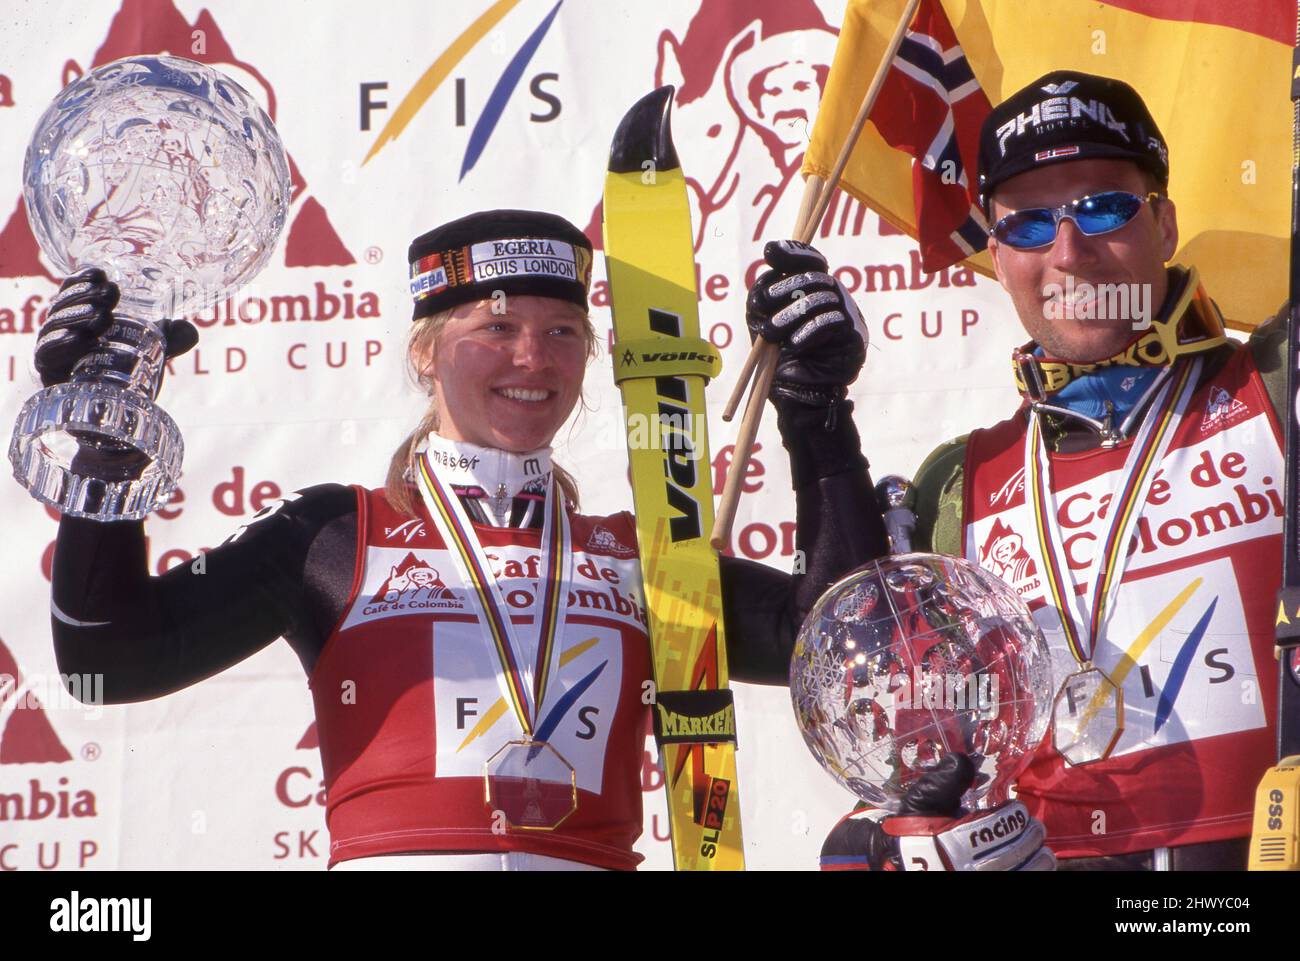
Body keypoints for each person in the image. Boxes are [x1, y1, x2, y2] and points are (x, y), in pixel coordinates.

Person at [42, 209, 887, 870]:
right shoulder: (335, 536)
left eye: (563, 332)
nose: (534, 358)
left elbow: (838, 650)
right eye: (495, 327)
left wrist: (816, 410)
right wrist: (106, 443)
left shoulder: (640, 557)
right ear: (424, 352)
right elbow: (109, 660)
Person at [749, 71, 1287, 870]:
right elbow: (853, 667)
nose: (1069, 252)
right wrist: (816, 415)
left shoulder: (1274, 390)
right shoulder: (959, 479)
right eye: (1031, 225)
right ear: (997, 256)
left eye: (1104, 207)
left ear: (1165, 225)